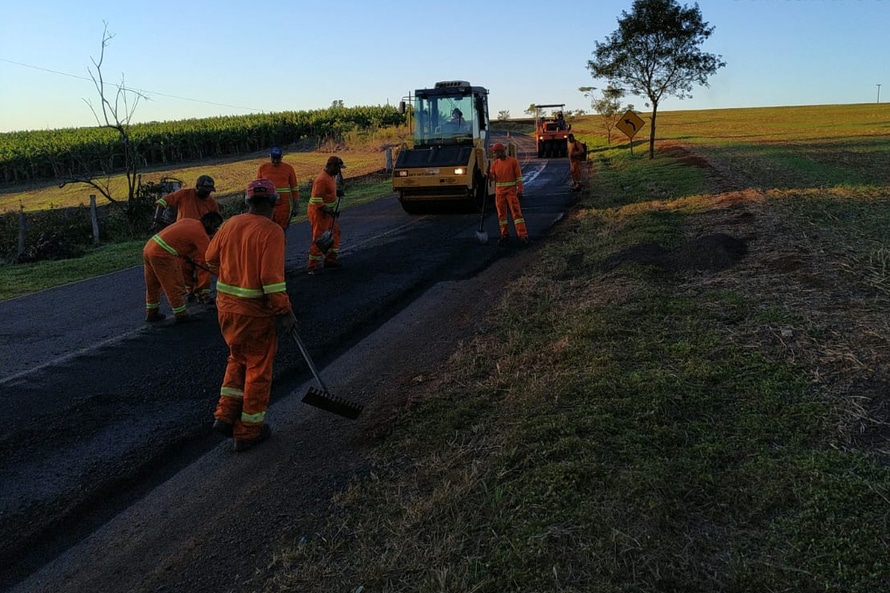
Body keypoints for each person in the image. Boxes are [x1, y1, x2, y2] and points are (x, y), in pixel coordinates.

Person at [205, 178, 297, 452]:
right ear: (273, 203)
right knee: (258, 368)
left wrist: (234, 270)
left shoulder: (230, 223)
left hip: (226, 310)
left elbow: (210, 258)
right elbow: (271, 280)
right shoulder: (272, 231)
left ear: (247, 202)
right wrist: (285, 312)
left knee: (237, 358)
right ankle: (247, 431)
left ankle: (225, 414)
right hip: (255, 314)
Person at [143, 211, 223, 324]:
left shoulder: (189, 221)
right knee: (173, 284)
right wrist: (223, 272)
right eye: (215, 226)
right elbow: (209, 257)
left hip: (149, 248)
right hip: (162, 254)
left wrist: (185, 255)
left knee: (153, 284)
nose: (215, 229)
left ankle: (152, 313)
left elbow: (180, 239)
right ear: (209, 223)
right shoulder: (200, 233)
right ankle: (181, 315)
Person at [153, 175, 221, 300]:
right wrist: (158, 217)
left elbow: (215, 222)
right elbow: (164, 201)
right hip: (183, 241)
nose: (207, 193)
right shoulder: (184, 194)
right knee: (184, 267)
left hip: (201, 239)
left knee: (204, 264)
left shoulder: (212, 203)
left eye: (209, 191)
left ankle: (203, 294)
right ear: (197, 187)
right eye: (205, 190)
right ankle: (190, 290)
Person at [306, 156, 346, 275]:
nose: (340, 171)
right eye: (339, 168)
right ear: (332, 166)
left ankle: (330, 260)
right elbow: (317, 200)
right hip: (319, 213)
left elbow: (327, 192)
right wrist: (330, 211)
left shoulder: (331, 176)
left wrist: (336, 193)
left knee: (335, 233)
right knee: (320, 238)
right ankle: (312, 267)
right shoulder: (321, 179)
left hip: (327, 212)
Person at [489, 142, 529, 246]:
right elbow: (493, 177)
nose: (495, 154)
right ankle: (504, 235)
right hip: (499, 193)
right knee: (502, 216)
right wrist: (488, 175)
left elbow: (519, 177)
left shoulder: (513, 162)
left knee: (517, 214)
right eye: (494, 152)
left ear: (501, 152)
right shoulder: (495, 164)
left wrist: (520, 190)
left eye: (496, 152)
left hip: (511, 192)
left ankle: (522, 235)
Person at [256, 146, 300, 232]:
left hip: (283, 207)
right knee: (267, 231)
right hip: (267, 206)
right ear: (269, 156)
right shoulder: (262, 168)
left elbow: (294, 188)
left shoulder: (288, 169)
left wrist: (296, 205)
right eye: (273, 158)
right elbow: (257, 187)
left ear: (282, 157)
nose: (275, 161)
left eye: (278, 158)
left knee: (281, 231)